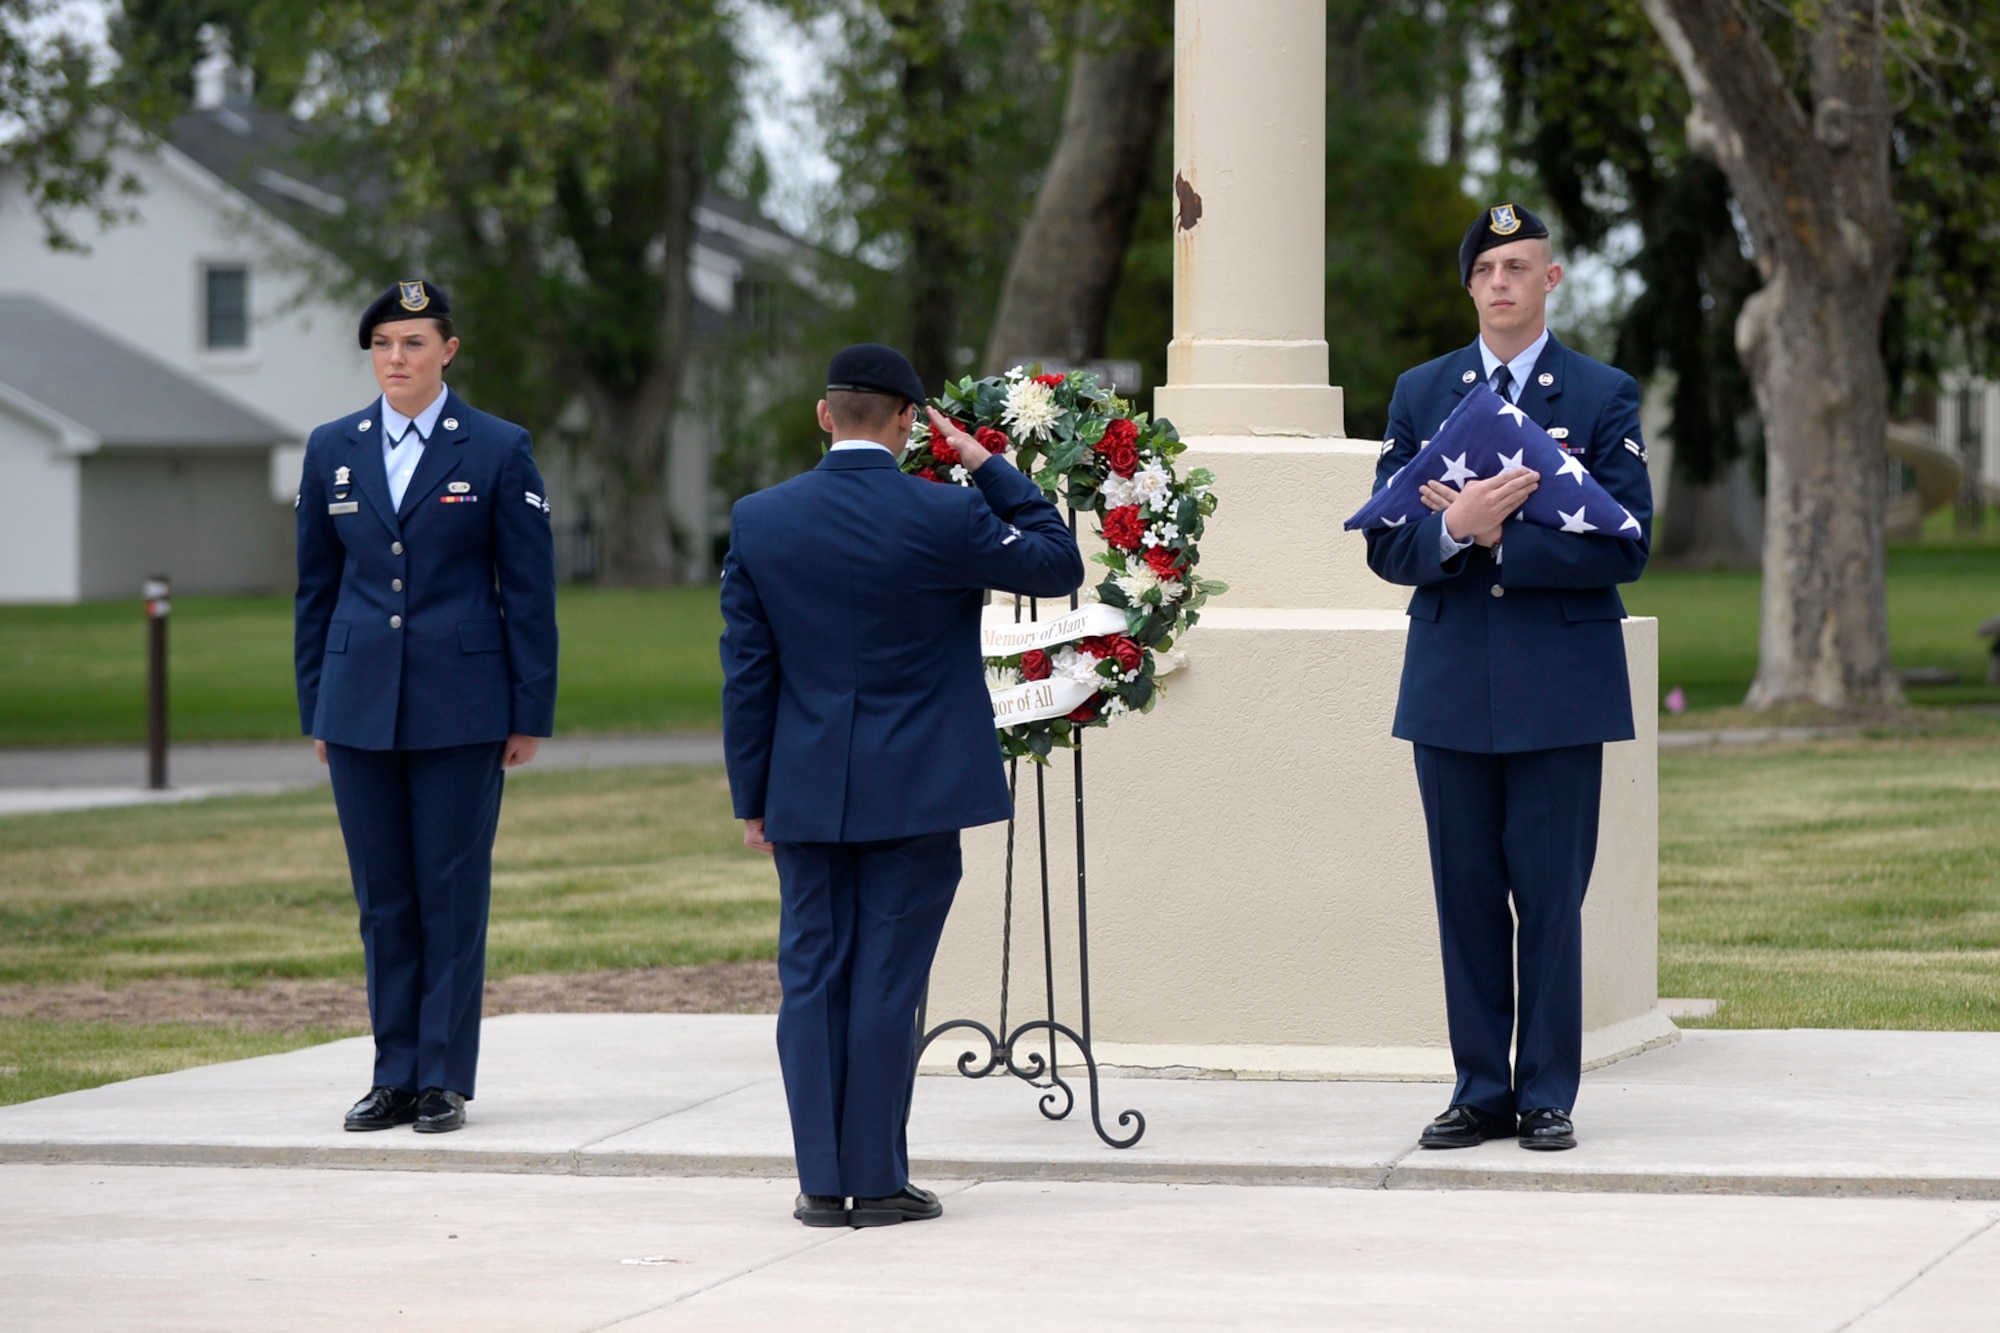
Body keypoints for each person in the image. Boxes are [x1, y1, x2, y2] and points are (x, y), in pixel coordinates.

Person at [720, 344, 1083, 1227]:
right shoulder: (944, 514)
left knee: (810, 976)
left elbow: (748, 671)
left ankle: (819, 1181)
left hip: (805, 785)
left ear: (823, 413)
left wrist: (752, 796)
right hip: (915, 787)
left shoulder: (761, 519)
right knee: (886, 979)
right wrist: (988, 464)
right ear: (908, 422)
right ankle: (875, 1181)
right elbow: (1057, 562)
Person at [1365, 205, 1652, 1153]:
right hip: (1450, 682)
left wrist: (1503, 533)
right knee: (1467, 895)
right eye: (1486, 267)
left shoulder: (1603, 394)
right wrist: (1455, 530)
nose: (1501, 282)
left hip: (1559, 686)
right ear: (1470, 283)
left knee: (1550, 899)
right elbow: (1388, 541)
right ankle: (1480, 1088)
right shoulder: (1421, 391)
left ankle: (1546, 1094)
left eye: (1519, 266)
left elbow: (1626, 542)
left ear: (1552, 280)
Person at [295, 279, 558, 1135]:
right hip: (359, 701)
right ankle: (394, 1073)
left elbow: (528, 591)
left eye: (413, 343)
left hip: (463, 703)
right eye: (382, 345)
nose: (396, 359)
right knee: (382, 896)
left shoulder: (496, 447)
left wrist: (529, 709)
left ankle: (442, 1077)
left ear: (448, 350)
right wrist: (318, 706)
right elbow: (315, 592)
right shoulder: (333, 448)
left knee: (449, 890)